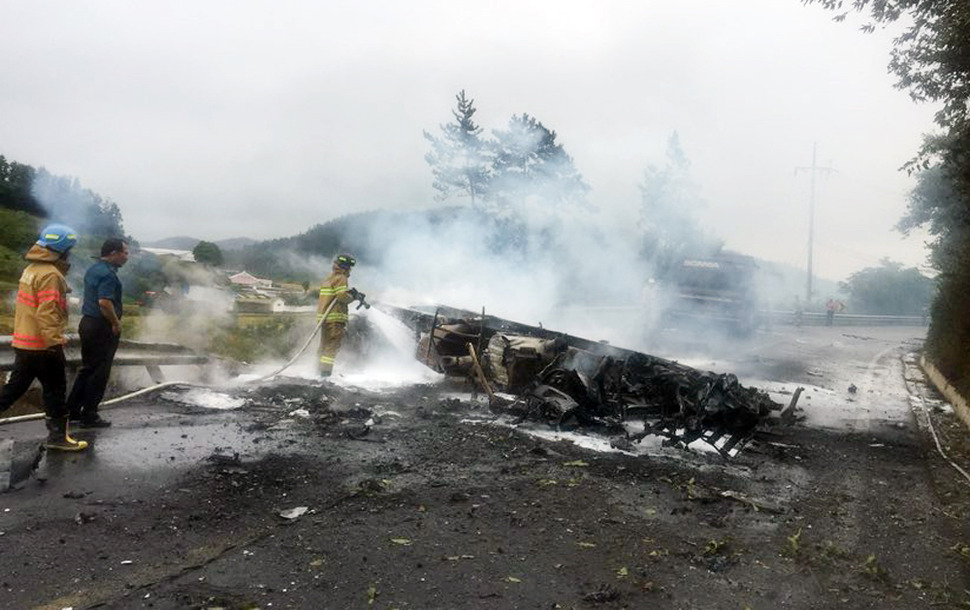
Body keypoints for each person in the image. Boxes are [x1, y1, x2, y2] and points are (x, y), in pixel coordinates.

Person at [0, 224, 87, 451]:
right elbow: (47, 312)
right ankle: (58, 439)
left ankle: (57, 438)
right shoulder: (50, 274)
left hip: (25, 342)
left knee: (13, 390)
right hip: (42, 345)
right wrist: (54, 341)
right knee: (55, 390)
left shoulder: (32, 269)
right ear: (63, 249)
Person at [67, 238, 129, 428]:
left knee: (88, 369)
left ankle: (73, 411)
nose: (127, 256)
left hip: (87, 324)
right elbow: (104, 302)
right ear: (113, 253)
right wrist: (115, 323)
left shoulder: (94, 269)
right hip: (102, 327)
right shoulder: (108, 275)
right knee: (99, 372)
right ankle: (90, 415)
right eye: (124, 252)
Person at [317, 253, 366, 377]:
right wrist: (353, 297)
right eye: (350, 267)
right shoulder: (341, 278)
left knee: (324, 346)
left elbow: (336, 294)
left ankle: (318, 371)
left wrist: (351, 293)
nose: (350, 270)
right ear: (345, 267)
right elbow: (341, 296)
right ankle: (325, 375)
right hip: (336, 318)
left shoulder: (329, 278)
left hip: (325, 318)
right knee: (332, 346)